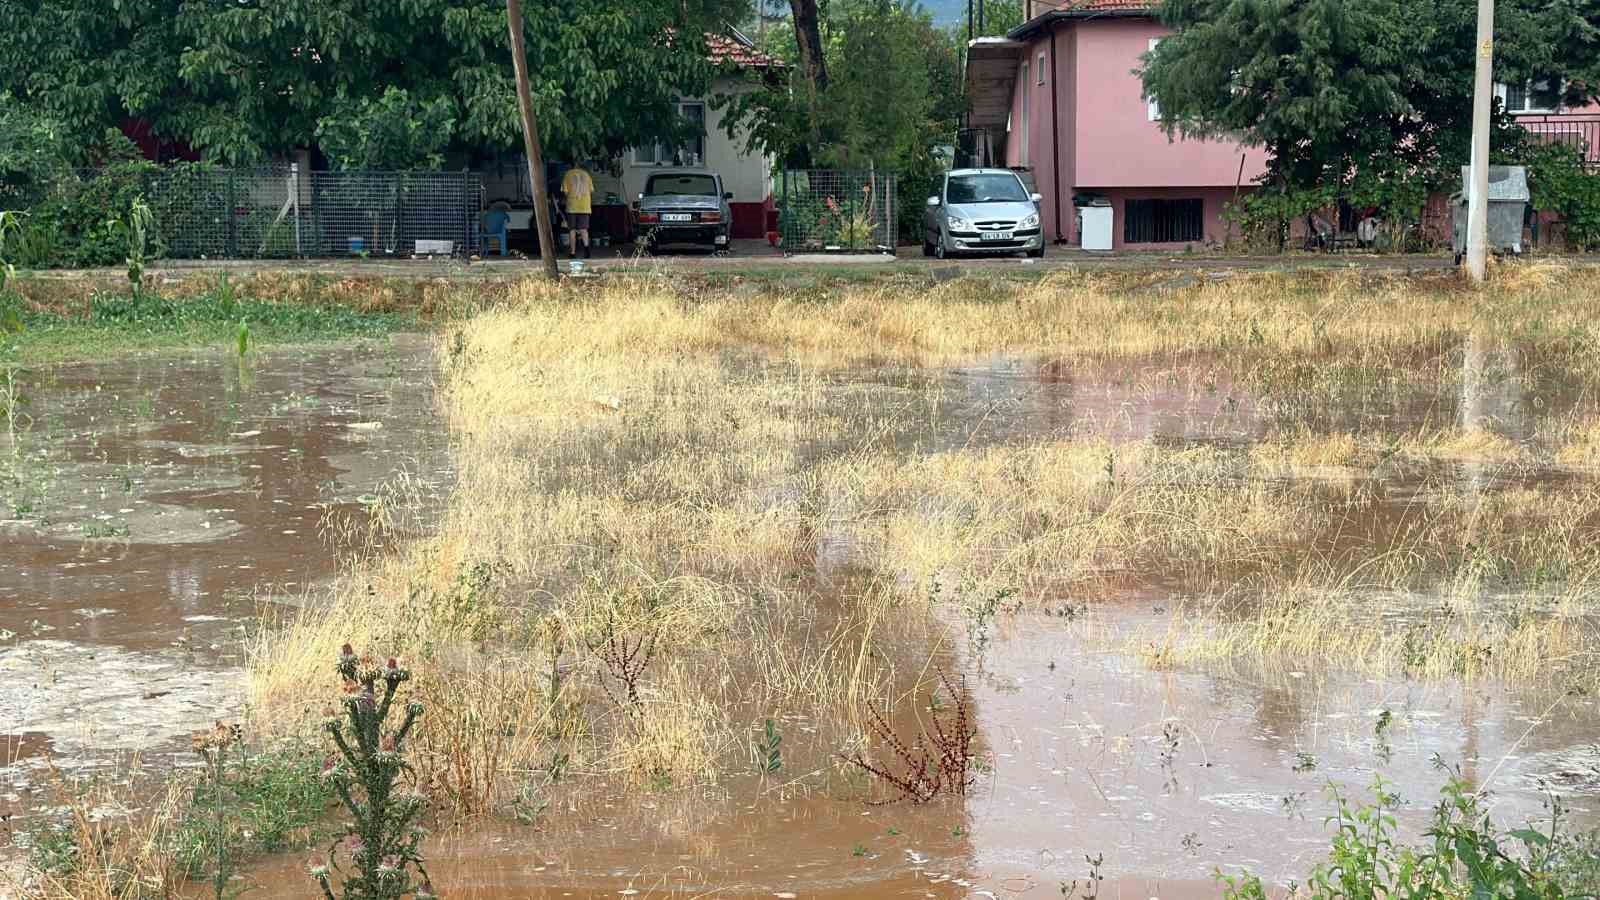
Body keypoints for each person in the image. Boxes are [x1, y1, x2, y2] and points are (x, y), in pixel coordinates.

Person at [560, 162, 595, 259]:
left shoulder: (568, 174)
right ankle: (587, 250)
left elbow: (565, 192)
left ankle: (572, 253)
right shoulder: (586, 175)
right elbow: (591, 190)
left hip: (572, 207)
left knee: (572, 230)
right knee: (584, 229)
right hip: (585, 206)